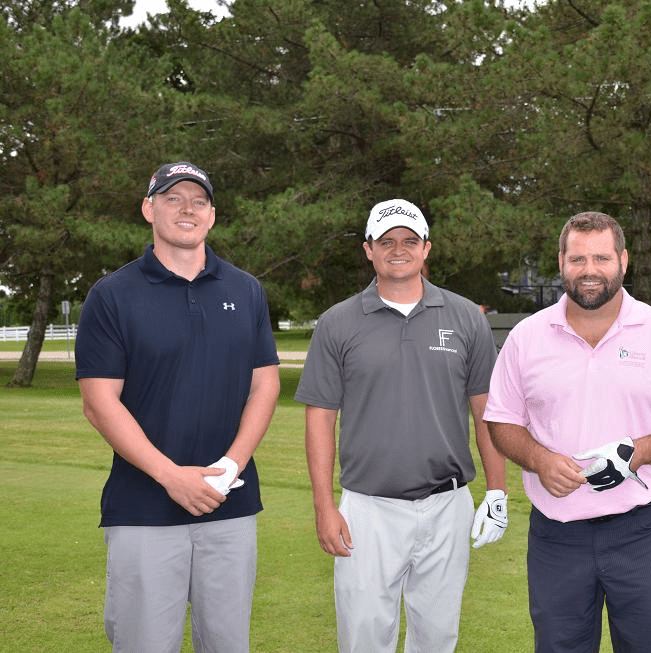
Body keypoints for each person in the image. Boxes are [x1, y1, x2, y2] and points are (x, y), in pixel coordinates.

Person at [483, 211, 651, 653]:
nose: (589, 270)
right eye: (578, 259)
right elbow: (501, 420)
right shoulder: (527, 337)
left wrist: (639, 451)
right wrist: (539, 460)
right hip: (557, 534)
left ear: (623, 260)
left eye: (601, 258)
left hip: (644, 531)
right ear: (561, 262)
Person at [75, 161, 281, 652]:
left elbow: (265, 386)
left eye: (198, 201)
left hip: (229, 504)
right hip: (143, 507)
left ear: (212, 215)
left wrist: (230, 466)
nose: (187, 209)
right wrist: (172, 476)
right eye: (173, 198)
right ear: (149, 209)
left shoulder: (245, 290)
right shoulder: (112, 295)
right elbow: (99, 403)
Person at [294, 198, 508, 653]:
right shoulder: (337, 323)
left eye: (409, 241)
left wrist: (497, 490)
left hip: (446, 504)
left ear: (426, 248)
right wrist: (323, 506)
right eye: (386, 241)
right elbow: (320, 421)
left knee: (437, 636)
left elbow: (487, 411)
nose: (398, 249)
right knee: (364, 635)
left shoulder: (466, 316)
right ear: (368, 250)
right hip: (368, 508)